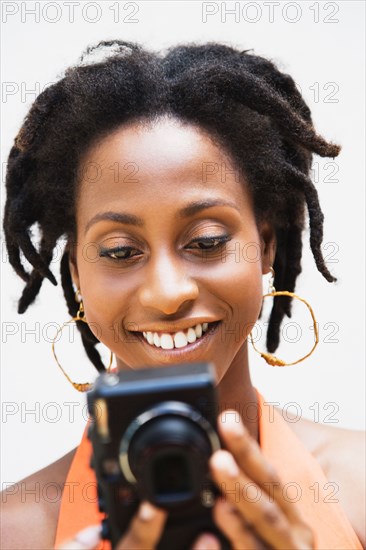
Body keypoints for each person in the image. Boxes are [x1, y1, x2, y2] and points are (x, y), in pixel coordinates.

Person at [1, 40, 364, 550]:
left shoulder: (358, 489)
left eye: (207, 242)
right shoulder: (14, 532)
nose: (168, 293)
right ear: (77, 274)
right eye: (122, 251)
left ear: (265, 245)